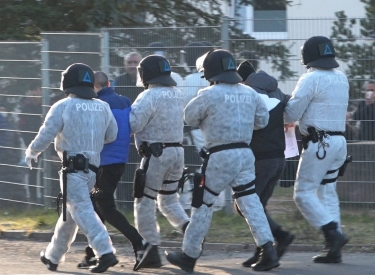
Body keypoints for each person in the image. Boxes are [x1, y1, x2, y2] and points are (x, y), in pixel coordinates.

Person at [165, 49, 279, 273]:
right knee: (251, 203)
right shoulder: (249, 93)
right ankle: (268, 250)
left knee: (203, 203)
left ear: (210, 72)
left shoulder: (208, 94)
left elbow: (189, 117)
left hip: (219, 155)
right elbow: (263, 120)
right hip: (245, 154)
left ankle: (189, 254)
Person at [25, 63, 119, 273]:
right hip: (93, 170)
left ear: (66, 83)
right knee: (71, 213)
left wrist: (32, 152)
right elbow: (112, 135)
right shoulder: (102, 106)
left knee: (81, 210)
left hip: (73, 170)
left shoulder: (63, 106)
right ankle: (53, 256)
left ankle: (105, 252)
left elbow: (46, 133)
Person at [284, 36, 349, 263]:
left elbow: (292, 114)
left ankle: (333, 233)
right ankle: (334, 249)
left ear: (307, 58)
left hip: (319, 144)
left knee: (302, 193)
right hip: (339, 142)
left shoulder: (309, 78)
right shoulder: (342, 78)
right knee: (327, 192)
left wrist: (282, 107)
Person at [77, 71, 148, 271]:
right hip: (119, 160)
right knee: (96, 206)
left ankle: (140, 243)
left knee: (104, 206)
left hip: (103, 160)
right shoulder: (125, 100)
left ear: (94, 87)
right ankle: (92, 253)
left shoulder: (97, 105)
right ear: (108, 83)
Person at [129, 54, 190, 271]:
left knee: (144, 201)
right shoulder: (177, 94)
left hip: (155, 156)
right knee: (169, 201)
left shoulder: (148, 97)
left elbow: (134, 125)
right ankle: (192, 231)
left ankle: (150, 249)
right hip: (177, 153)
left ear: (145, 74)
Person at [243, 68, 295, 266]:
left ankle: (280, 237)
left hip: (260, 160)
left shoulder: (250, 96)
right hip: (278, 158)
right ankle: (261, 250)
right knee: (258, 206)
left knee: (246, 205)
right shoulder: (278, 94)